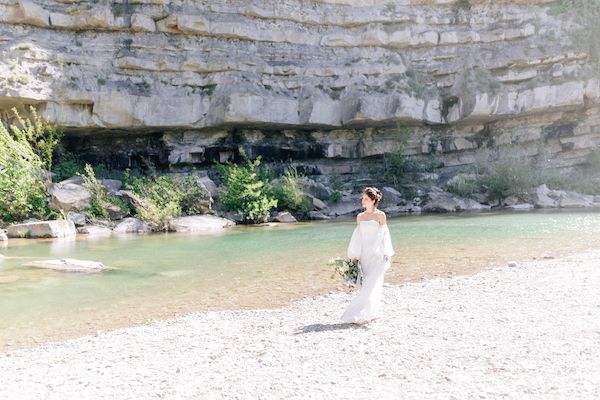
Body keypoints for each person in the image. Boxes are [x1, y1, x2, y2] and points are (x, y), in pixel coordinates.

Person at [341, 187, 394, 324]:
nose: (362, 201)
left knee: (373, 284)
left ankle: (363, 313)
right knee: (367, 286)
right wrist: (354, 255)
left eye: (365, 199)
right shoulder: (360, 217)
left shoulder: (380, 216)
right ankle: (371, 312)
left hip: (377, 256)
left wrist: (387, 252)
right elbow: (357, 238)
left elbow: (385, 235)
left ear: (372, 200)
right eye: (362, 198)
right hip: (364, 257)